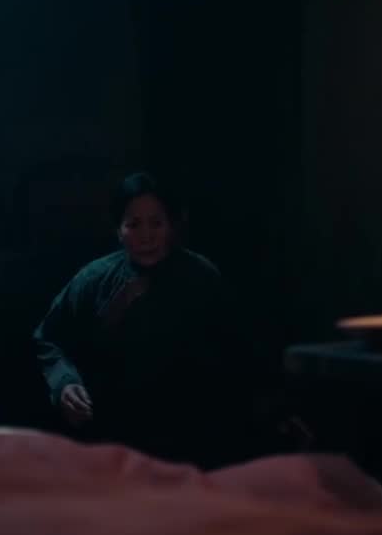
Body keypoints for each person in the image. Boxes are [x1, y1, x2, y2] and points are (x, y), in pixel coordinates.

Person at [32, 173, 256, 467]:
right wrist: (65, 384)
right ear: (118, 230)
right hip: (110, 435)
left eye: (156, 223)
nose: (146, 236)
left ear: (172, 225)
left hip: (190, 436)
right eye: (133, 224)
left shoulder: (202, 277)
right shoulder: (94, 280)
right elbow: (50, 338)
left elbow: (235, 355)